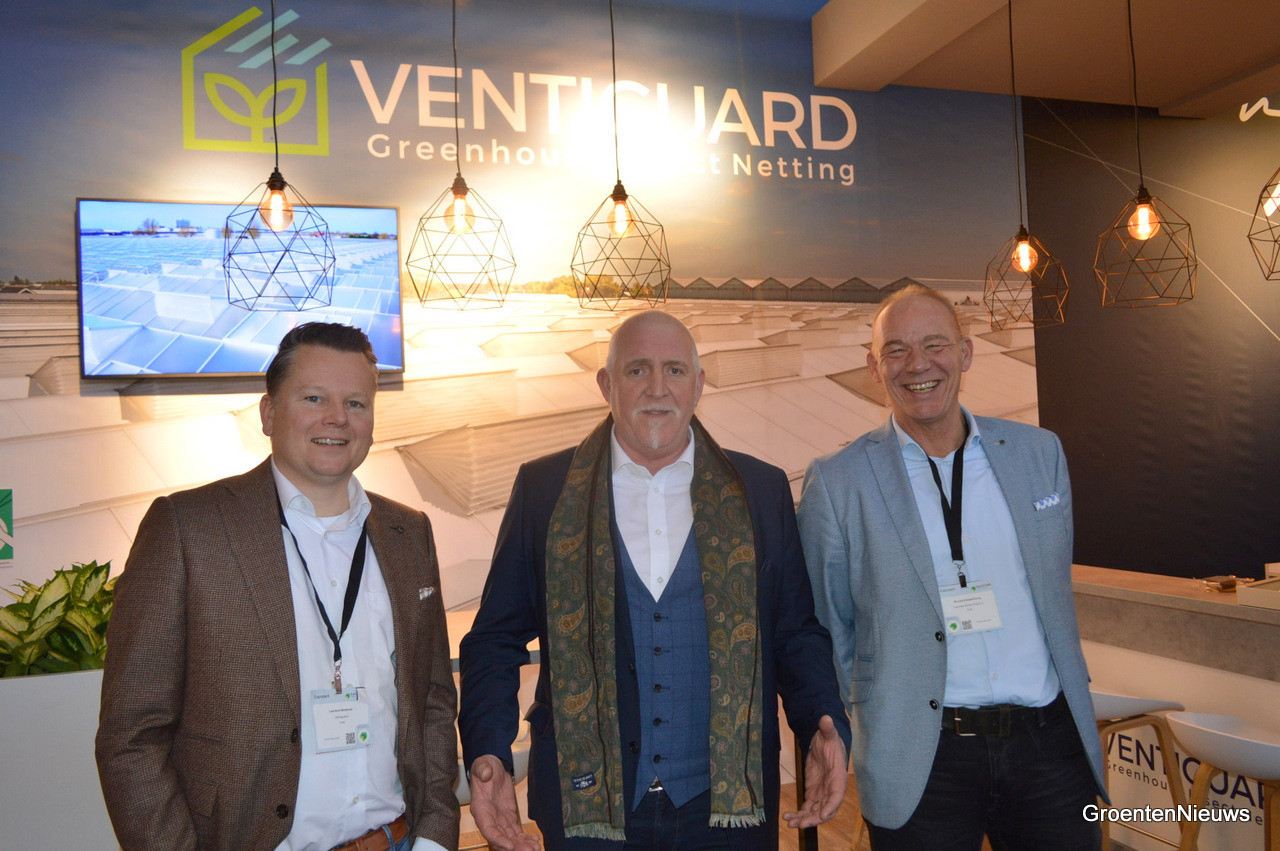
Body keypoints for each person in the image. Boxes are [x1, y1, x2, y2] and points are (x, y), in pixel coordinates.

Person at [458, 310, 850, 851]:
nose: (658, 388)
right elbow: (494, 638)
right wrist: (488, 750)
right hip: (587, 806)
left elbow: (795, 633)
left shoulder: (759, 490)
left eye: (675, 370)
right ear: (607, 385)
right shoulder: (545, 489)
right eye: (637, 370)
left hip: (729, 805)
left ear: (699, 384)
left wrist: (822, 721)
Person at [95, 322, 459, 851]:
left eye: (356, 403)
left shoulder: (409, 533)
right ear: (268, 414)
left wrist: (435, 835)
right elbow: (132, 735)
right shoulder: (188, 529)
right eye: (314, 398)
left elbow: (433, 700)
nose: (337, 418)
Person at [797, 285, 1106, 850]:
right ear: (873, 367)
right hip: (922, 756)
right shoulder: (839, 481)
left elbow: (1052, 587)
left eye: (934, 344)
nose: (917, 364)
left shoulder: (1039, 454)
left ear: (964, 353)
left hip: (1050, 746)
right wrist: (859, 715)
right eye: (895, 350)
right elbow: (828, 623)